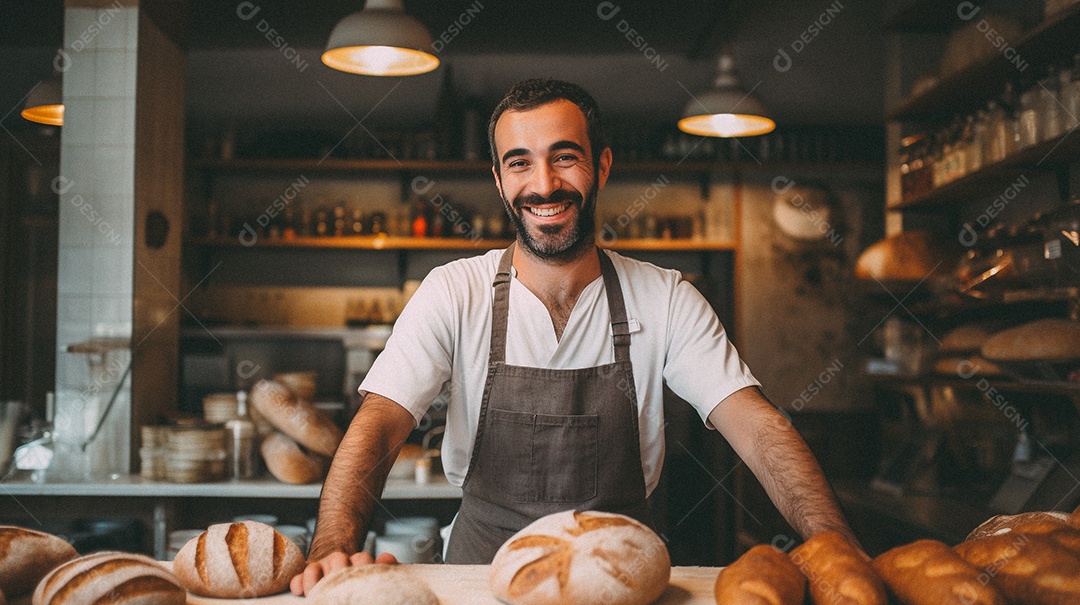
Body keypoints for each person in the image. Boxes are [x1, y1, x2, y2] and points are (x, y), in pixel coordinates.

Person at [290, 78, 857, 595]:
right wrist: (331, 548)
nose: (544, 185)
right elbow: (379, 426)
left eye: (565, 157)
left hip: (623, 580)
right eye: (520, 163)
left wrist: (836, 546)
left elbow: (757, 429)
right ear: (498, 179)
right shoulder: (454, 292)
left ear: (602, 166)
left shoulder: (664, 297)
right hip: (481, 581)